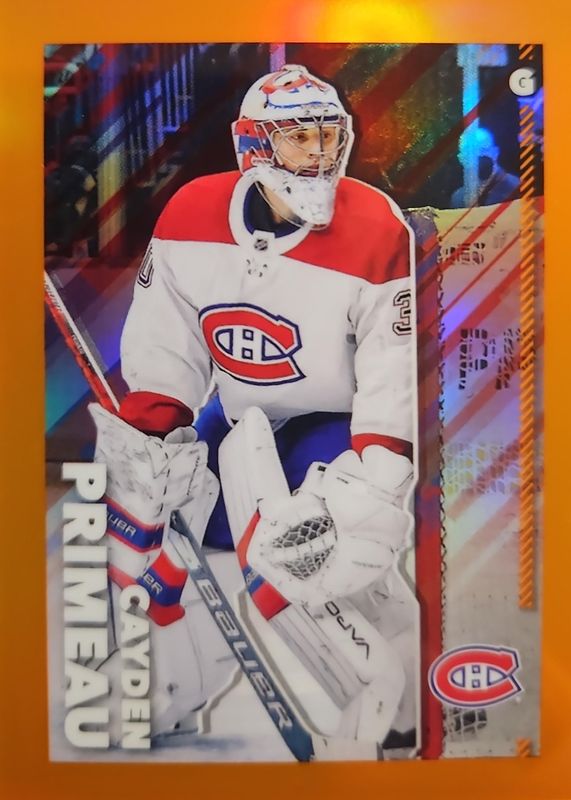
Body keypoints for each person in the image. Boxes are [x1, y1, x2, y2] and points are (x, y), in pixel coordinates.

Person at [90, 64, 417, 749]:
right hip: (240, 414)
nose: (321, 154)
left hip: (334, 419)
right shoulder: (191, 213)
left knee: (310, 558)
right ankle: (172, 688)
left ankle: (394, 703)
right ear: (255, 146)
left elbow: (391, 365)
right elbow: (167, 338)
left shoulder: (374, 225)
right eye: (301, 138)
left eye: (329, 136)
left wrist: (379, 472)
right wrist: (154, 432)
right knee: (163, 553)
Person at [450, 126, 520, 208]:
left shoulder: (517, 188)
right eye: (469, 152)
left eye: (482, 149)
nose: (477, 156)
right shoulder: (458, 198)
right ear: (461, 159)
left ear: (495, 152)